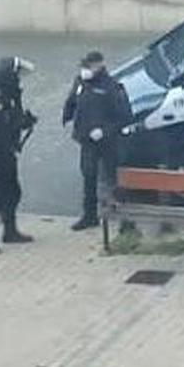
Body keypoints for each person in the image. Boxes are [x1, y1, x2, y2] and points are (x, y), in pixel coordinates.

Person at [62, 50, 132, 232]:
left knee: (113, 180)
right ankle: (89, 216)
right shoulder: (81, 82)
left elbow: (124, 116)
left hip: (108, 142)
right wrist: (67, 115)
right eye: (83, 66)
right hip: (87, 141)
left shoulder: (111, 87)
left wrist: (105, 131)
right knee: (89, 177)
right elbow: (73, 101)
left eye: (88, 66)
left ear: (99, 65)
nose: (85, 69)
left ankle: (126, 221)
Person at [0, 56, 38, 255]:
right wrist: (19, 124)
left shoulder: (10, 95)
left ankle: (10, 231)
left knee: (13, 191)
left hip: (7, 151)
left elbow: (12, 121)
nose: (19, 78)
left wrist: (24, 121)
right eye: (16, 74)